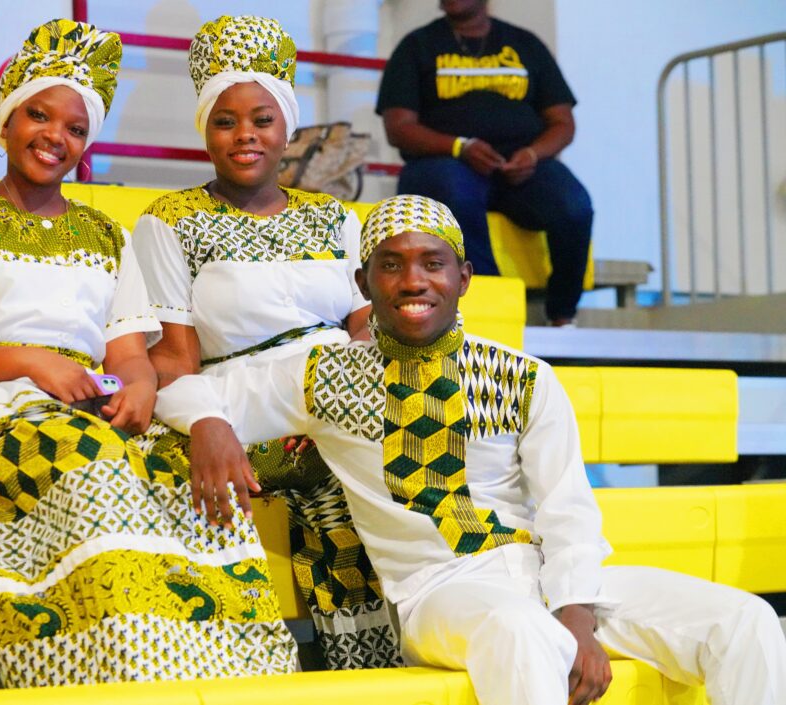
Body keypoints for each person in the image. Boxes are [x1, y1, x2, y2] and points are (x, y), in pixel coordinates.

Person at [155, 194, 786, 705]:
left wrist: (577, 614)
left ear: (464, 277)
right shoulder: (323, 376)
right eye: (391, 264)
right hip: (440, 594)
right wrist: (211, 424)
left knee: (745, 621)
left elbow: (568, 510)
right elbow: (181, 391)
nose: (413, 281)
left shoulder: (523, 375)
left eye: (432, 263)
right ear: (363, 282)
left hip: (544, 582)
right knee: (520, 631)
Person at [0, 19, 297, 687]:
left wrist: (140, 392)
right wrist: (32, 364)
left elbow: (129, 353)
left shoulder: (106, 234)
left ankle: (221, 674)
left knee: (179, 467)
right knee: (87, 457)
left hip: (76, 408)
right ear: (5, 121)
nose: (54, 137)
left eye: (74, 128)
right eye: (38, 115)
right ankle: (107, 665)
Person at [131, 14, 401, 669]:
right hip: (244, 399)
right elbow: (175, 358)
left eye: (262, 119)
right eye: (225, 121)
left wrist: (337, 398)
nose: (245, 135)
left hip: (341, 384)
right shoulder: (167, 221)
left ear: (286, 129)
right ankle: (367, 666)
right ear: (205, 130)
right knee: (344, 474)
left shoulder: (334, 216)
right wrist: (279, 410)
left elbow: (366, 322)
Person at [376, 0, 592, 326]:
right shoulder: (417, 46)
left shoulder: (525, 44)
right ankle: (493, 310)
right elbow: (399, 127)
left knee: (573, 205)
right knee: (456, 192)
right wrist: (459, 147)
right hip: (445, 161)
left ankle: (563, 314)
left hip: (519, 164)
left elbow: (563, 122)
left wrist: (533, 154)